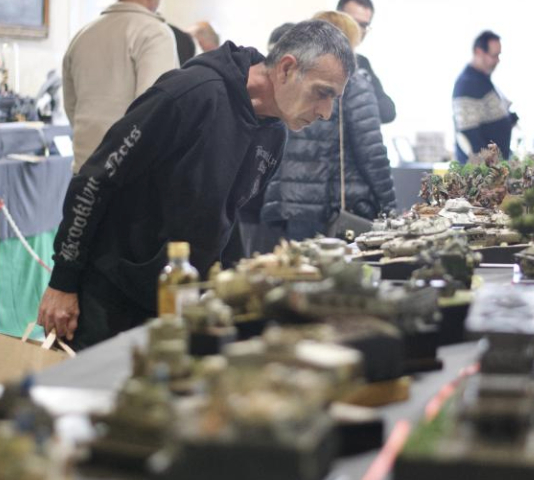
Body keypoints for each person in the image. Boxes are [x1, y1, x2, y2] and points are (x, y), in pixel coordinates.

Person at [37, 21, 355, 349]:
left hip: (181, 302)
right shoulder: (190, 94)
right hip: (111, 293)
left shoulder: (274, 134)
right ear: (287, 68)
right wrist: (63, 281)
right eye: (323, 93)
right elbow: (95, 180)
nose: (327, 113)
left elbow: (226, 218)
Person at [259, 11, 396, 250]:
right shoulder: (353, 83)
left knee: (299, 277)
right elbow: (372, 153)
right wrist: (390, 206)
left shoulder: (292, 81)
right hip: (333, 208)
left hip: (289, 202)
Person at [62, 0, 179, 172]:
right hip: (130, 177)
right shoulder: (155, 33)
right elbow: (155, 115)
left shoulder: (82, 35)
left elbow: (71, 106)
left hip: (84, 172)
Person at [452, 30, 516, 163]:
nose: (497, 60)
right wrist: (490, 170)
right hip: (482, 173)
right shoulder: (467, 84)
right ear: (478, 52)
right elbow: (469, 135)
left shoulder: (482, 80)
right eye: (494, 55)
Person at [336, 0, 396, 123]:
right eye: (351, 22)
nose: (357, 30)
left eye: (363, 25)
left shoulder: (361, 63)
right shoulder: (312, 57)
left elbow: (387, 112)